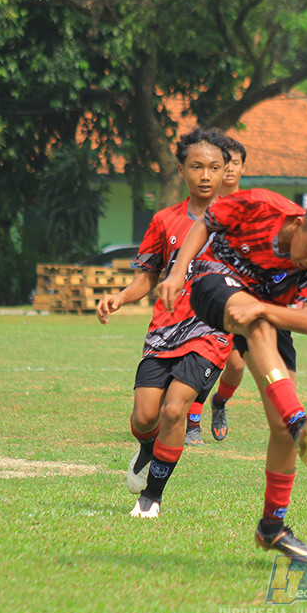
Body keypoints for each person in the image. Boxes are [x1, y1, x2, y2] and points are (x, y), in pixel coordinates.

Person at [161, 191, 307, 563]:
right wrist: (176, 271)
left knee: (278, 427)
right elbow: (205, 222)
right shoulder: (259, 205)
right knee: (263, 336)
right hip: (214, 283)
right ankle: (299, 421)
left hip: (266, 309)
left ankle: (272, 525)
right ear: (299, 223)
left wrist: (262, 306)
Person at [96, 127, 233, 519]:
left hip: (210, 331)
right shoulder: (164, 220)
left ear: (226, 172)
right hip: (164, 330)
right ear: (181, 170)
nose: (205, 175)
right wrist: (120, 297)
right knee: (144, 418)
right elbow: (148, 276)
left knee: (175, 410)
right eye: (197, 167)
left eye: (214, 167)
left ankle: (151, 497)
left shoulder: (237, 222)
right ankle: (146, 447)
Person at [186, 137, 248, 444]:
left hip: (244, 298)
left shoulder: (250, 206)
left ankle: (219, 403)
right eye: (228, 163)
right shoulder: (206, 209)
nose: (230, 169)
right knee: (206, 357)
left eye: (236, 163)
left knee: (236, 366)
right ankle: (192, 419)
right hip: (212, 297)